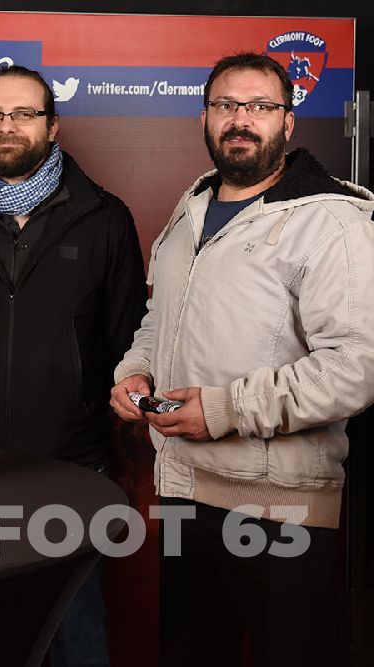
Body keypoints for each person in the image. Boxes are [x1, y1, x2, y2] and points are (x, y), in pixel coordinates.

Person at [109, 52, 374, 667]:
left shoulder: (332, 222)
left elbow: (356, 367)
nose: (241, 119)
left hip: (282, 505)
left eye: (260, 106)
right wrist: (134, 372)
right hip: (183, 490)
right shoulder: (192, 208)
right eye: (226, 105)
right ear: (204, 118)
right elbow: (160, 320)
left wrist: (226, 409)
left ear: (289, 123)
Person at [0, 64, 147, 666]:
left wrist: (115, 457)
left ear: (53, 124)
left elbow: (127, 344)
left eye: (23, 114)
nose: (7, 126)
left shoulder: (104, 218)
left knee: (75, 631)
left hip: (69, 465)